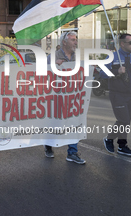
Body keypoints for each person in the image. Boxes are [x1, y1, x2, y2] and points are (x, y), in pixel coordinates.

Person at [45, 31, 86, 164]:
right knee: (54, 123)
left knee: (73, 123)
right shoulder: (53, 56)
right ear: (64, 42)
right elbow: (41, 72)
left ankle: (72, 152)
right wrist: (53, 65)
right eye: (73, 40)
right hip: (56, 96)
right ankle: (48, 145)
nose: (75, 42)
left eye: (76, 40)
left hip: (72, 96)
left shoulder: (77, 57)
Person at [102, 33, 131, 156]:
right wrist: (116, 71)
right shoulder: (113, 57)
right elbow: (102, 73)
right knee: (123, 119)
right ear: (122, 44)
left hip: (130, 95)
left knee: (127, 121)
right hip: (117, 94)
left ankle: (122, 146)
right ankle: (109, 138)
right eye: (130, 42)